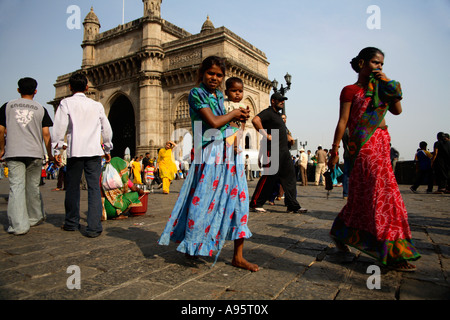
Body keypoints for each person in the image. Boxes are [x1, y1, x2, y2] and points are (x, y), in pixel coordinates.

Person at [158, 56, 258, 272]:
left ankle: (238, 256)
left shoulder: (219, 96)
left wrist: (237, 119)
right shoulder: (197, 94)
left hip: (229, 154)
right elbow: (212, 122)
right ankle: (192, 244)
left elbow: (224, 124)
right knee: (202, 200)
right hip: (210, 153)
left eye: (219, 75)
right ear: (202, 73)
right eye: (211, 73)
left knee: (240, 199)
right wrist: (233, 113)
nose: (214, 78)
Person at [327, 47, 420, 271]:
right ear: (361, 63)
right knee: (383, 194)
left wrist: (388, 83)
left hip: (382, 142)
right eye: (375, 63)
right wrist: (334, 149)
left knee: (365, 196)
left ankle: (340, 232)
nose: (379, 67)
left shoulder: (383, 88)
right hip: (363, 146)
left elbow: (397, 110)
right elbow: (343, 121)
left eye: (381, 64)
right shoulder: (349, 90)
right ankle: (392, 252)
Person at [52, 72, 113, 238]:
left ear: (70, 87)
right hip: (94, 152)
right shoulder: (97, 105)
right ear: (87, 87)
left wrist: (57, 150)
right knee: (94, 188)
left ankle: (71, 222)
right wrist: (107, 149)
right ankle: (94, 227)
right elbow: (106, 130)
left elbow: (59, 128)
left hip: (75, 152)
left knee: (72, 187)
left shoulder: (66, 103)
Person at [0, 77, 55, 235]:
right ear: (35, 91)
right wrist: (50, 154)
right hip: (35, 153)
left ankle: (19, 226)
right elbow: (46, 134)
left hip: (14, 152)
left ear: (18, 90)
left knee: (16, 187)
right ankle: (35, 216)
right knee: (32, 186)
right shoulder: (40, 109)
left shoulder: (7, 106)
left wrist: (1, 149)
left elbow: (1, 130)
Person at [249, 92, 306, 213]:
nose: (282, 102)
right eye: (280, 100)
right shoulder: (268, 112)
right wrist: (266, 135)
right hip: (274, 149)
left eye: (283, 100)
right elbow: (255, 120)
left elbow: (282, 130)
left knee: (290, 178)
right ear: (273, 101)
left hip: (284, 151)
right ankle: (256, 203)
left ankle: (292, 205)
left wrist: (288, 137)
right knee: (269, 177)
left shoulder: (278, 116)